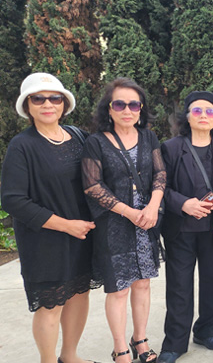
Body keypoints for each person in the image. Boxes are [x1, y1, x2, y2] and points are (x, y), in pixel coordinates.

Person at [1, 73, 101, 363]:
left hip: (83, 234)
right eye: (38, 99)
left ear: (64, 104)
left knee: (79, 294)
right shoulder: (22, 145)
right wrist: (66, 225)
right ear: (27, 106)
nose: (48, 104)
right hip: (45, 239)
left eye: (55, 98)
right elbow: (13, 200)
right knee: (51, 304)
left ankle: (69, 356)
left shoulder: (79, 136)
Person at [82, 78, 166, 363]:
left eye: (133, 104)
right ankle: (120, 348)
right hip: (114, 225)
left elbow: (160, 173)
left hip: (146, 222)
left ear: (141, 108)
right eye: (119, 104)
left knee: (143, 283)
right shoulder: (96, 142)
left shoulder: (149, 138)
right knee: (119, 289)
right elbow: (93, 186)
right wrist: (129, 212)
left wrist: (153, 206)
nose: (127, 110)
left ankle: (140, 339)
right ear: (109, 109)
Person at [157, 92, 213, 363]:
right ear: (187, 117)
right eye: (197, 111)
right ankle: (175, 342)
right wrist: (183, 204)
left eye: (210, 111)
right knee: (179, 286)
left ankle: (208, 331)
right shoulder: (171, 148)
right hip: (181, 228)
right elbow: (160, 187)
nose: (204, 116)